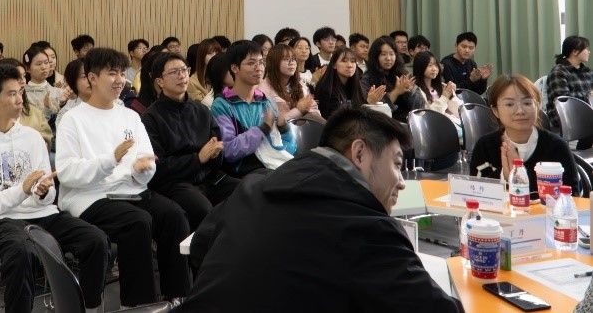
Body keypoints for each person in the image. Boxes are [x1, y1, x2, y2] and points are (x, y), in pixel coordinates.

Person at [177, 107, 464, 313]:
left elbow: (200, 248)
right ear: (359, 153)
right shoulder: (366, 229)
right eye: (397, 164)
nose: (401, 182)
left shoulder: (254, 185)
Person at [0, 64, 108, 313]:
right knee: (20, 251)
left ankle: (87, 307)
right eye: (11, 94)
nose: (20, 99)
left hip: (42, 215)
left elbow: (48, 197)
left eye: (20, 92)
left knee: (95, 240)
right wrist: (22, 190)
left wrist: (43, 192)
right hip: (0, 221)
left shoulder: (32, 137)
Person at [56, 47, 191, 306]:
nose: (120, 80)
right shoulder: (72, 120)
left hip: (131, 190)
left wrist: (143, 169)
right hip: (91, 196)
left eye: (121, 73)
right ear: (93, 78)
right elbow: (68, 173)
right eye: (112, 73)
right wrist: (111, 160)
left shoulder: (130, 116)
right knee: (137, 222)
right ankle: (137, 304)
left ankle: (176, 295)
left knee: (174, 216)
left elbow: (147, 160)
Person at [142, 53, 240, 230]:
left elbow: (216, 149)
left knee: (245, 192)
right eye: (174, 72)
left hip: (208, 176)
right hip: (176, 182)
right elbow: (158, 166)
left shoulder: (201, 110)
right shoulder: (151, 117)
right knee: (202, 209)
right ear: (160, 81)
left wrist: (215, 154)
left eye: (184, 70)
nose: (182, 76)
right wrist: (198, 158)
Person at [470, 74, 578, 197]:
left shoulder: (556, 147)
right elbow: (477, 195)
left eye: (527, 103)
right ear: (495, 111)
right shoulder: (485, 146)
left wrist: (520, 179)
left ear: (537, 106)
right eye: (509, 104)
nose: (520, 111)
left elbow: (573, 197)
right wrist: (505, 178)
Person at [211, 41, 296, 177]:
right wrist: (263, 129)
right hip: (244, 174)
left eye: (261, 62)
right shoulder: (222, 105)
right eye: (251, 63)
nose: (259, 68)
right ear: (234, 68)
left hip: (272, 169)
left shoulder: (267, 102)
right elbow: (228, 151)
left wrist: (284, 129)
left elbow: (286, 151)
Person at [361, 37, 423, 123]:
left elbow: (419, 107)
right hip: (381, 124)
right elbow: (376, 113)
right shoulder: (367, 78)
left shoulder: (402, 73)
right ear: (375, 56)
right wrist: (396, 92)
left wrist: (411, 91)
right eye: (383, 54)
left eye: (391, 54)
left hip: (408, 122)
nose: (388, 58)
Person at [313, 47, 385, 120]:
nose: (350, 65)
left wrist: (369, 102)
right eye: (344, 61)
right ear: (334, 65)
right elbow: (338, 120)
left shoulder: (356, 85)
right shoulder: (326, 88)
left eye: (353, 61)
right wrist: (368, 103)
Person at [260, 44, 323, 124]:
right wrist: (299, 110)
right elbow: (272, 123)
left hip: (303, 129)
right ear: (274, 63)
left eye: (293, 59)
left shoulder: (300, 84)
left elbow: (314, 110)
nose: (292, 63)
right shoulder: (263, 88)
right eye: (286, 59)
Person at [545, 36, 593, 136]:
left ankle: (585, 143)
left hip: (586, 113)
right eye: (586, 49)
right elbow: (563, 102)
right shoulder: (559, 72)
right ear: (575, 51)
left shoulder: (587, 72)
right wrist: (588, 96)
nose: (589, 52)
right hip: (564, 115)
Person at [411, 52, 461, 139]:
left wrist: (452, 95)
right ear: (420, 67)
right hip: (434, 130)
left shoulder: (441, 86)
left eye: (435, 65)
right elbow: (429, 116)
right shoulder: (417, 91)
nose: (434, 69)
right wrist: (444, 97)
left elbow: (458, 110)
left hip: (450, 123)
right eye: (429, 65)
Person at [23, 44, 64, 121]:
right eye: (39, 64)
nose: (44, 67)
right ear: (28, 68)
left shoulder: (57, 92)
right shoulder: (22, 94)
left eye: (46, 62)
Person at [187, 39, 221, 103]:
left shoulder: (222, 76)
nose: (214, 56)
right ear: (202, 56)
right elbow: (202, 106)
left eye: (217, 53)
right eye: (210, 53)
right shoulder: (192, 82)